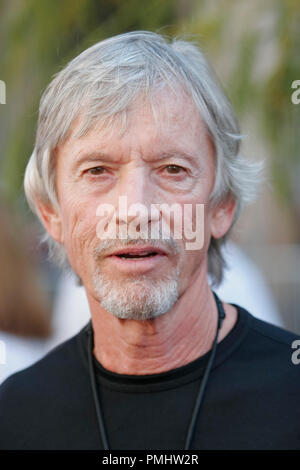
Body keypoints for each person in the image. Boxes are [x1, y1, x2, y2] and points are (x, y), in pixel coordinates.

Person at [0, 31, 299, 450]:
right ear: (52, 213)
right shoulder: (15, 416)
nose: (136, 209)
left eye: (172, 169)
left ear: (222, 206)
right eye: (98, 171)